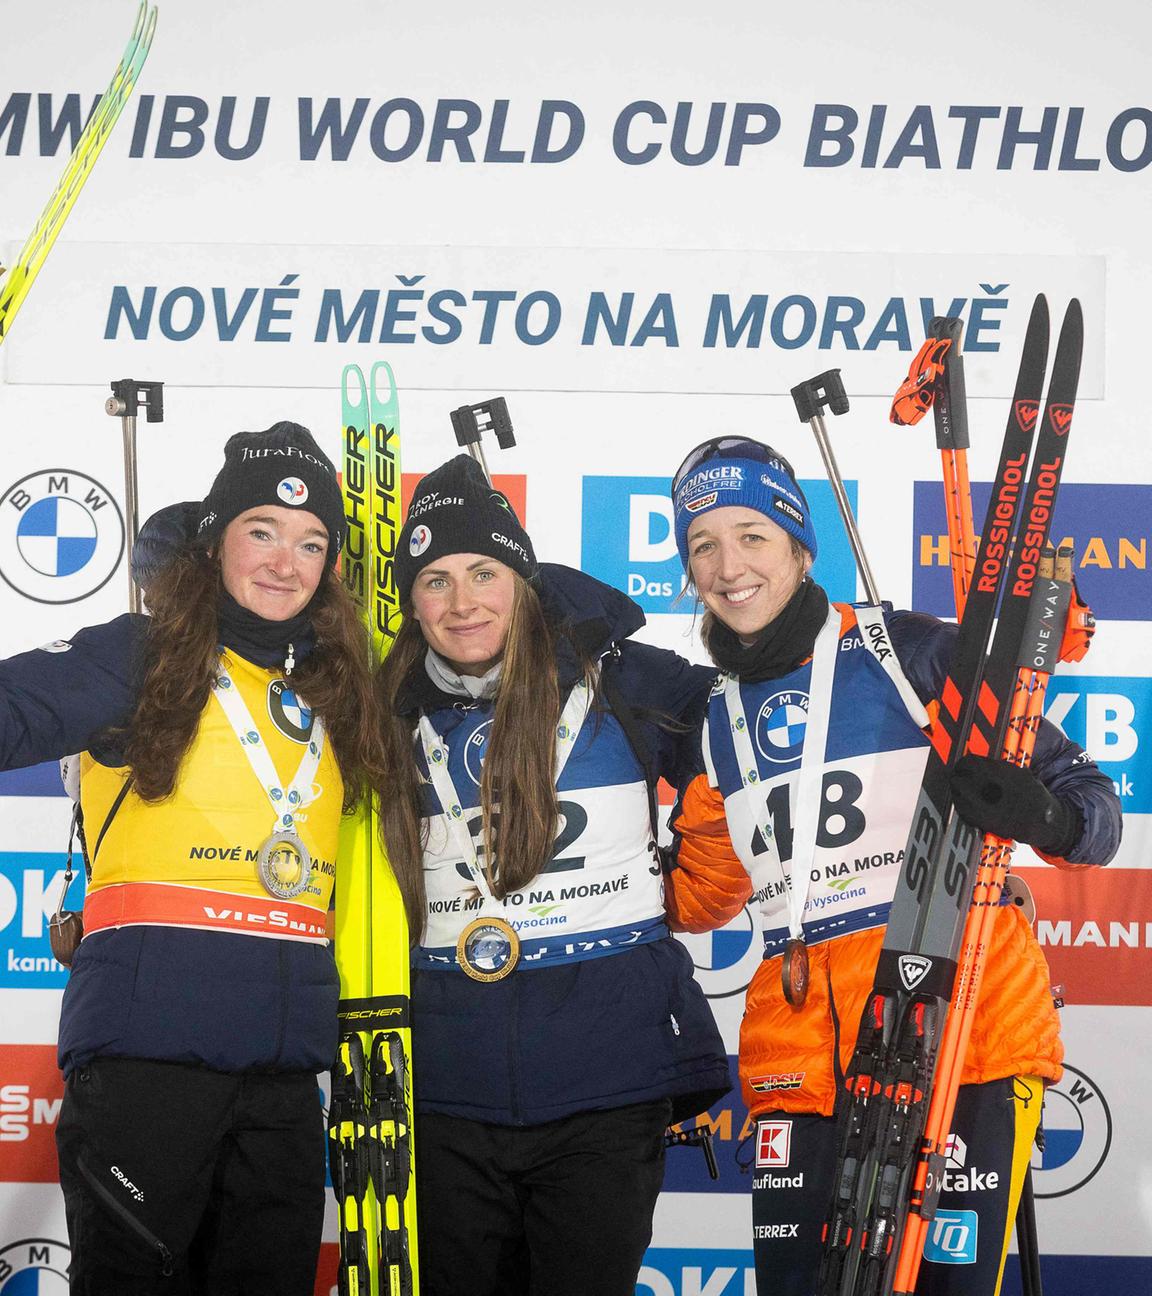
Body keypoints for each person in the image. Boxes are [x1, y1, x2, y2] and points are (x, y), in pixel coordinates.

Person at [661, 436, 1122, 1296]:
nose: (728, 566)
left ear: (801, 548)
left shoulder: (906, 654)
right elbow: (698, 898)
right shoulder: (715, 719)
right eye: (703, 545)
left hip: (964, 1030)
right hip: (801, 1053)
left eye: (752, 536)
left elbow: (1091, 809)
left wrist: (1043, 815)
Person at [0, 422, 383, 1296]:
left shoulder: (336, 688)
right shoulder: (141, 654)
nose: (285, 562)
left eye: (311, 543)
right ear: (213, 543)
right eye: (262, 531)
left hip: (282, 1083)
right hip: (148, 1068)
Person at [376, 454, 731, 1296]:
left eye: (484, 573)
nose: (462, 603)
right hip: (446, 1088)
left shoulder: (624, 676)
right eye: (435, 581)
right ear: (411, 602)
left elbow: (767, 734)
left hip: (605, 1081)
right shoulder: (380, 707)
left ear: (523, 582)